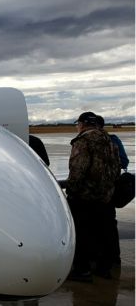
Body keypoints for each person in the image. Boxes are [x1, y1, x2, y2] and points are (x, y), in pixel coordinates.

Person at [66, 112, 121, 281]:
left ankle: (82, 270)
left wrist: (71, 190)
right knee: (104, 232)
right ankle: (104, 269)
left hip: (85, 197)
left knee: (82, 233)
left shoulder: (83, 141)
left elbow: (78, 169)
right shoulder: (109, 141)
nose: (77, 127)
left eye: (78, 124)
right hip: (105, 197)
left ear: (82, 124)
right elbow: (117, 167)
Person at [96, 115, 129, 267]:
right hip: (110, 189)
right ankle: (113, 259)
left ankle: (97, 259)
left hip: (94, 191)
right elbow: (124, 161)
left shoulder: (85, 141)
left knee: (92, 225)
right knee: (109, 224)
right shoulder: (114, 139)